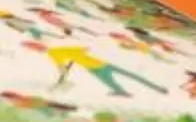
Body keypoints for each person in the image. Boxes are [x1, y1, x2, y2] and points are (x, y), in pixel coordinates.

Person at [28, 37, 166, 97]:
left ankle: (122, 92)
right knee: (128, 76)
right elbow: (84, 49)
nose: (38, 50)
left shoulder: (53, 53)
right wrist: (75, 57)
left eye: (36, 48)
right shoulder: (59, 49)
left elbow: (61, 67)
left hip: (96, 67)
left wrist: (63, 76)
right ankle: (156, 88)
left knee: (111, 80)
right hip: (100, 63)